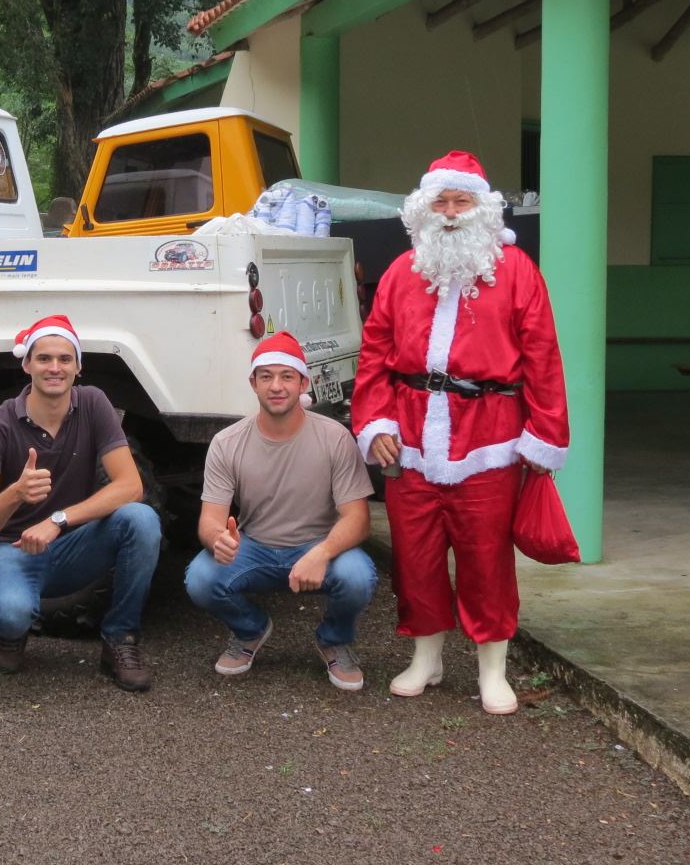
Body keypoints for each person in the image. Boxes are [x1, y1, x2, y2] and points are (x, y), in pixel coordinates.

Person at [351, 150, 569, 715]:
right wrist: (374, 422)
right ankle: (427, 657)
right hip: (414, 439)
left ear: (482, 208)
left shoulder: (518, 272)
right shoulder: (402, 273)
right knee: (416, 556)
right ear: (424, 209)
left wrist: (544, 438)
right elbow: (374, 354)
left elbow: (543, 356)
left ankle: (492, 669)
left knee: (486, 557)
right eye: (441, 202)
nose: (450, 213)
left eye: (461, 201)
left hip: (490, 439)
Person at [0, 314, 162, 691]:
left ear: (79, 367)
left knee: (141, 519)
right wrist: (15, 494)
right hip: (7, 550)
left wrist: (58, 519)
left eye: (65, 359)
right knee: (11, 613)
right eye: (44, 359)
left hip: (68, 545)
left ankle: (120, 639)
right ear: (26, 365)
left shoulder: (93, 403)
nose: (55, 368)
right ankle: (10, 632)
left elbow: (131, 486)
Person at [185, 332, 378, 690]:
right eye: (266, 376)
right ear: (253, 384)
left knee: (358, 576)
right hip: (255, 546)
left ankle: (334, 639)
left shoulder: (334, 437)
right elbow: (210, 520)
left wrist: (321, 553)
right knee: (200, 577)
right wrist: (218, 540)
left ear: (303, 382)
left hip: (316, 545)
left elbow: (358, 519)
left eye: (287, 376)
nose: (276, 386)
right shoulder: (227, 443)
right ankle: (250, 629)